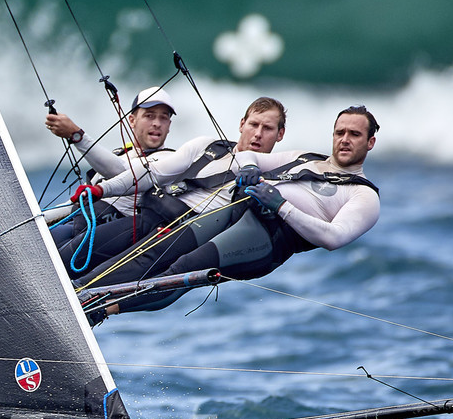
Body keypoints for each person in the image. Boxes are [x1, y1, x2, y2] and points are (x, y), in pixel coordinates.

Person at [87, 107, 381, 318]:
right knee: (159, 249)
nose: (345, 139)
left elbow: (333, 238)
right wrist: (250, 166)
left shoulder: (363, 194)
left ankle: (98, 310)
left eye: (354, 134)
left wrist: (281, 206)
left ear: (370, 142)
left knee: (183, 269)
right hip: (238, 210)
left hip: (266, 238)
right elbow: (249, 155)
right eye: (340, 132)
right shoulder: (306, 157)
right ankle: (83, 290)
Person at [62, 96, 288, 272]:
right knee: (63, 256)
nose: (258, 134)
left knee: (85, 275)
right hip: (140, 220)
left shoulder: (270, 179)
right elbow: (149, 174)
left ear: (280, 134)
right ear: (242, 124)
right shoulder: (206, 146)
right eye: (253, 125)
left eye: (267, 128)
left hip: (174, 238)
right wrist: (101, 189)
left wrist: (78, 137)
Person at [45, 87, 178, 243]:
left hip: (105, 238)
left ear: (169, 125)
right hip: (78, 223)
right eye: (149, 116)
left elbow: (127, 175)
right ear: (132, 120)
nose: (157, 123)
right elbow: (77, 202)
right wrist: (39, 218)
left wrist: (76, 136)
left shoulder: (170, 160)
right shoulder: (120, 154)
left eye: (163, 118)